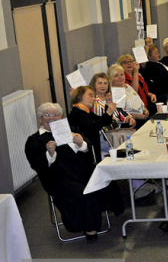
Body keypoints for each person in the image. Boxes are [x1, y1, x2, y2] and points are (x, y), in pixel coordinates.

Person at [25, 103, 124, 240]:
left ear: (61, 117)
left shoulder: (71, 131)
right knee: (83, 192)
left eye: (55, 114)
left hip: (81, 170)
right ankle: (90, 227)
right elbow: (37, 164)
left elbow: (89, 152)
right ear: (41, 119)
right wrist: (49, 154)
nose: (51, 118)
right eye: (47, 115)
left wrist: (81, 143)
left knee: (104, 178)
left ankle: (103, 210)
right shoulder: (34, 140)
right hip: (57, 177)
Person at [68, 86, 117, 161]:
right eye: (90, 95)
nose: (94, 99)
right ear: (80, 96)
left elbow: (105, 122)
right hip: (84, 157)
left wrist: (107, 104)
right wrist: (108, 113)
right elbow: (92, 128)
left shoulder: (85, 112)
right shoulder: (77, 112)